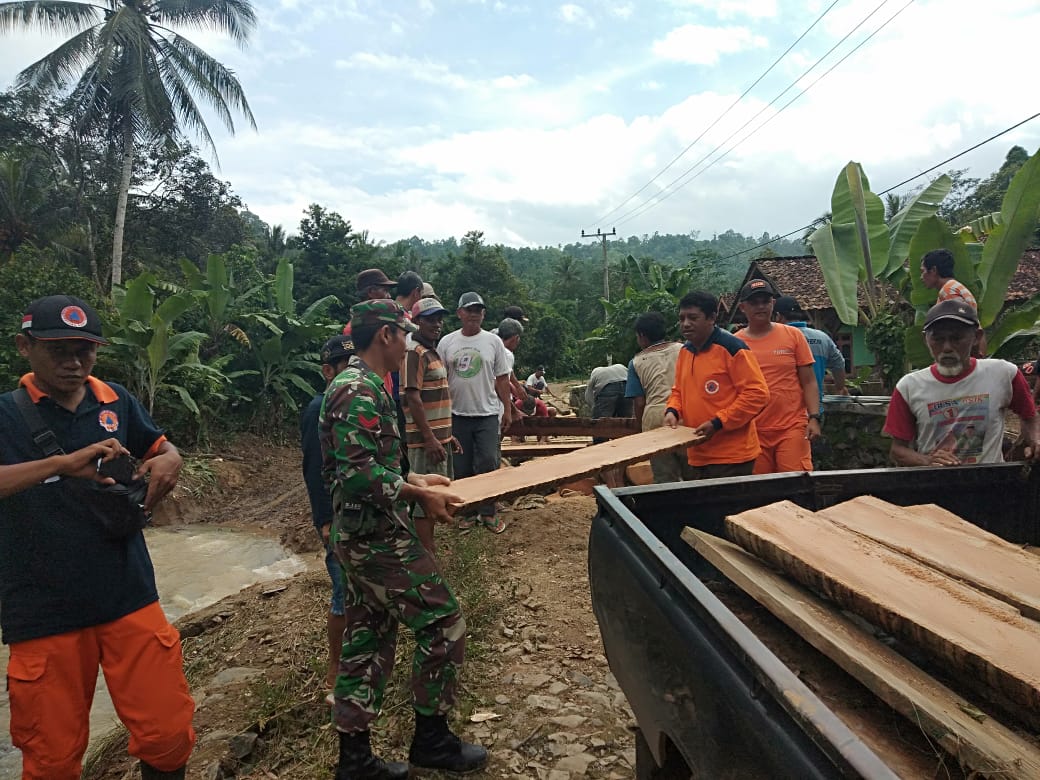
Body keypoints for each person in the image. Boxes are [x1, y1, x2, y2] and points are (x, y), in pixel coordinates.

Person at [0, 295, 195, 780]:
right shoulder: (5, 415)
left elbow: (159, 444)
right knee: (51, 759)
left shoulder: (116, 400)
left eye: (84, 350)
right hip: (44, 611)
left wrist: (170, 456)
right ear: (25, 346)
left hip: (128, 593)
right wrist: (62, 466)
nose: (74, 362)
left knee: (169, 735)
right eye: (58, 349)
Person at [320, 300, 487, 779]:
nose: (409, 342)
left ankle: (355, 762)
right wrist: (415, 493)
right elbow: (357, 474)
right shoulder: (357, 390)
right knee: (443, 622)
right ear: (386, 336)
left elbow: (373, 460)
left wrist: (418, 479)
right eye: (403, 334)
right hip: (375, 537)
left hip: (363, 533)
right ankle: (432, 740)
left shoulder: (366, 385)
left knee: (366, 639)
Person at [882, 299, 1039, 466]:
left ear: (977, 337)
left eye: (957, 338)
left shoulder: (1004, 373)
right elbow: (897, 450)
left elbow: (1029, 416)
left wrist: (1035, 441)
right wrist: (927, 461)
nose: (947, 347)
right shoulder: (908, 387)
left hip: (992, 484)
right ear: (925, 340)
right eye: (938, 339)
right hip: (933, 486)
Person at [663, 291, 770, 479]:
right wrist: (672, 410)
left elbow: (757, 394)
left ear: (712, 318)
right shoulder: (685, 351)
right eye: (682, 318)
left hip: (732, 457)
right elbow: (678, 390)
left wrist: (718, 422)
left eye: (693, 318)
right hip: (696, 452)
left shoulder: (733, 349)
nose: (686, 323)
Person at [300, 333, 355, 697]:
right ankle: (335, 666)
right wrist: (324, 520)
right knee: (342, 593)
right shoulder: (318, 409)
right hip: (338, 515)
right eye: (344, 368)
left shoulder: (364, 401)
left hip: (367, 513)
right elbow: (314, 468)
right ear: (327, 371)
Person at [438, 292, 512, 532]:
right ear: (459, 313)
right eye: (469, 310)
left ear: (484, 314)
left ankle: (489, 512)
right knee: (462, 465)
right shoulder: (447, 343)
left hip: (487, 414)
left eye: (478, 310)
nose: (474, 314)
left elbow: (502, 379)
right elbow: (440, 380)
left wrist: (508, 411)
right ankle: (467, 513)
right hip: (457, 415)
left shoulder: (493, 342)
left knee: (489, 462)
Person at [735, 279, 822, 473]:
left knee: (797, 483)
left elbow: (808, 381)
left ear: (773, 304)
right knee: (761, 491)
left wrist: (814, 417)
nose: (760, 306)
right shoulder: (735, 343)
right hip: (752, 431)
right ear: (743, 307)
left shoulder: (793, 336)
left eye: (765, 301)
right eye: (754, 302)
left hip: (791, 427)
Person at [402, 297, 459, 550]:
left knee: (437, 494)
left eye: (439, 319)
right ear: (416, 322)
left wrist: (447, 434)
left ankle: (427, 549)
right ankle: (425, 554)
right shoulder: (414, 353)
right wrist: (429, 438)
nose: (437, 324)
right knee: (425, 499)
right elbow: (412, 396)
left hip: (439, 437)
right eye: (430, 319)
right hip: (425, 442)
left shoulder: (431, 351)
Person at [625, 312, 684, 483]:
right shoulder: (683, 350)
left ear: (642, 336)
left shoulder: (636, 362)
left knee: (665, 477)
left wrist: (638, 428)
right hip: (684, 413)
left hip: (654, 418)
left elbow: (639, 401)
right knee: (694, 473)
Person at [773, 296, 848, 401]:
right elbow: (839, 363)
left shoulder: (774, 339)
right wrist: (840, 387)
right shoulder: (822, 337)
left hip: (785, 409)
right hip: (815, 407)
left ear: (778, 316)